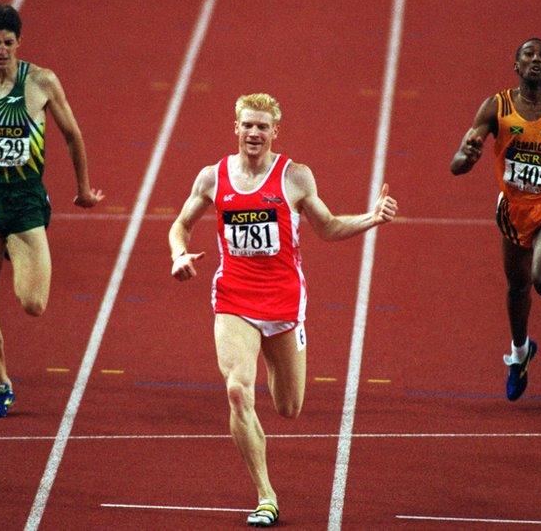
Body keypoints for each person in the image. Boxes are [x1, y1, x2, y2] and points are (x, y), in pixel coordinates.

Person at [169, 93, 398, 527]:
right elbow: (180, 224)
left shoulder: (294, 177)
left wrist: (372, 218)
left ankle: (277, 371)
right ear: (235, 128)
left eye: (262, 127)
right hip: (233, 298)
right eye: (247, 125)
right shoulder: (212, 178)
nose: (254, 133)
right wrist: (179, 254)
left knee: (288, 406)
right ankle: (266, 495)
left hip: (284, 303)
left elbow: (327, 227)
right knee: (238, 390)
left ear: (276, 131)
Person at [0, 4, 103, 418]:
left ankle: (16, 248)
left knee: (33, 304)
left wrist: (82, 189)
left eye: (8, 43)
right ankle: (2, 384)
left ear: (18, 44)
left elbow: (73, 136)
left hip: (26, 199)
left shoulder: (41, 82)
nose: (1, 50)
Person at [450, 37, 541, 401]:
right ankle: (519, 354)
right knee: (517, 288)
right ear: (516, 66)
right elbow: (457, 166)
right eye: (528, 54)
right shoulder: (496, 107)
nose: (535, 59)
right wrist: (468, 155)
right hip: (514, 209)